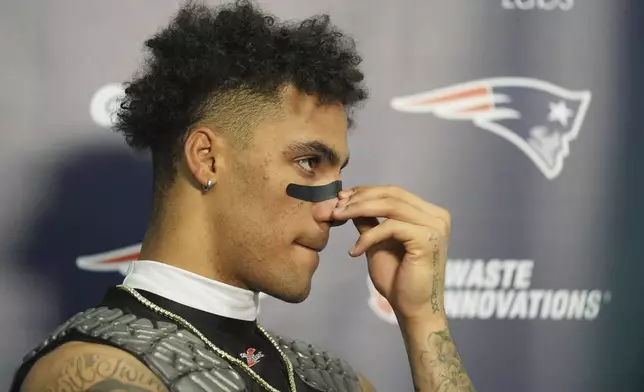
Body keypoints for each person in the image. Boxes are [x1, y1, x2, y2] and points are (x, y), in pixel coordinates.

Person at [11, 1, 476, 391]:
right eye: (309, 162)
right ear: (207, 159)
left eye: (338, 172)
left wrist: (422, 320)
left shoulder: (332, 378)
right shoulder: (98, 372)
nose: (336, 208)